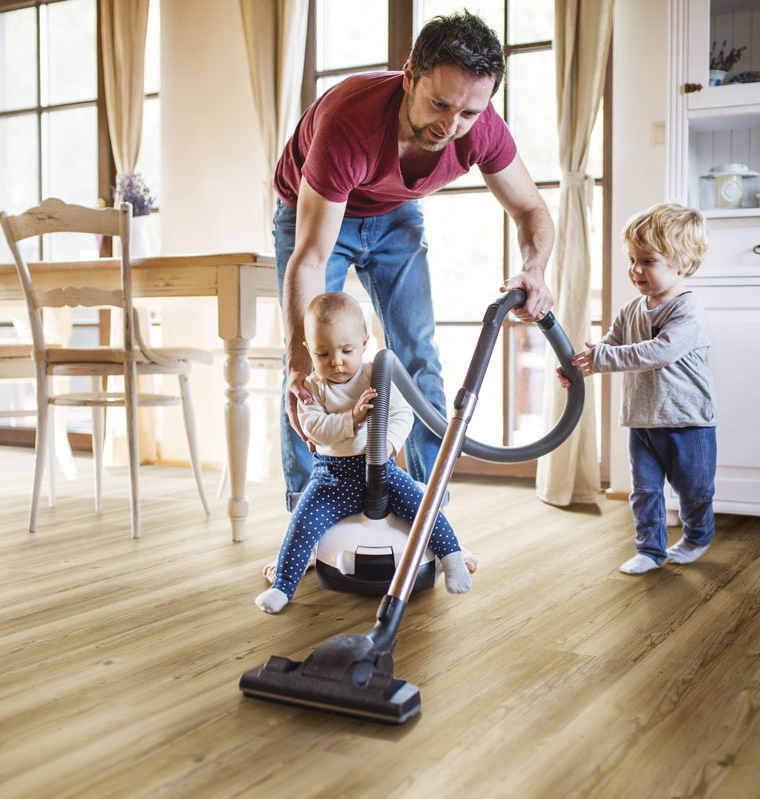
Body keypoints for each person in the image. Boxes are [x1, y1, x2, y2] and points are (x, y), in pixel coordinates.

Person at [273, 10, 555, 511]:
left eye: (468, 113)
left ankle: (428, 511)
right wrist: (297, 360)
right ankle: (307, 511)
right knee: (308, 368)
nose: (451, 126)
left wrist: (534, 270)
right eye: (440, 104)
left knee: (419, 356)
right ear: (409, 78)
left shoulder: (481, 127)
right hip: (315, 214)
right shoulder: (349, 121)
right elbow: (312, 257)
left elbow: (531, 208)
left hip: (395, 213)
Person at [256, 292, 475, 613]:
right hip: (330, 477)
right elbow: (314, 428)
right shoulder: (312, 388)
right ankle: (283, 587)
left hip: (382, 472)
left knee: (422, 508)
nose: (336, 361)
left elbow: (403, 414)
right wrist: (352, 418)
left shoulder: (377, 374)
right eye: (322, 353)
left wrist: (387, 445)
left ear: (364, 342)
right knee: (302, 524)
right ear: (308, 351)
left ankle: (452, 558)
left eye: (346, 350)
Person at [557, 203, 717, 575]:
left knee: (693, 492)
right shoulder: (631, 309)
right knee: (644, 491)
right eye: (632, 260)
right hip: (642, 421)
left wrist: (603, 359)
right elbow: (609, 347)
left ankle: (697, 536)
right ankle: (649, 549)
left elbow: (661, 351)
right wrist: (580, 368)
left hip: (687, 422)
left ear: (684, 263)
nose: (635, 270)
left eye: (648, 261)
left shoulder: (687, 310)